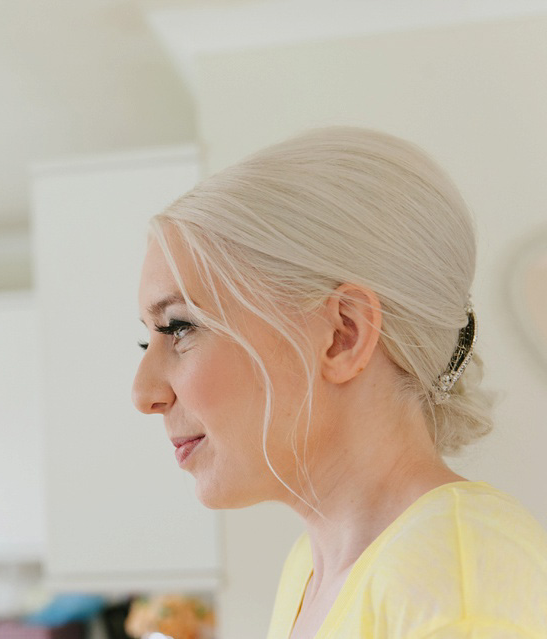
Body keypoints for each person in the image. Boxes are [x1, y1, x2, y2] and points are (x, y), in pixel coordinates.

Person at [131, 127, 547, 638]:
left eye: (181, 327)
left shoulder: (455, 584)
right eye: (145, 341)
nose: (144, 394)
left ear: (343, 336)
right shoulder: (310, 568)